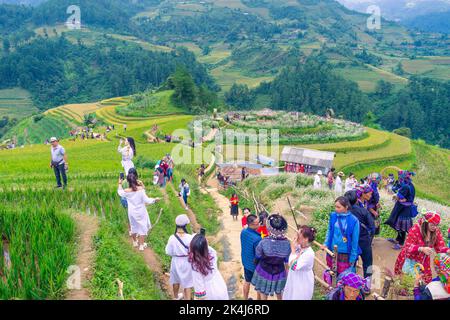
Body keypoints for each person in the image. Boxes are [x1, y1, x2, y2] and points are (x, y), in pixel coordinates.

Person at [394, 211, 450, 284]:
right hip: (409, 259)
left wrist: (447, 250)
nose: (435, 227)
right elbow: (407, 246)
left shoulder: (436, 232)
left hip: (423, 260)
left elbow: (440, 247)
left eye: (436, 225)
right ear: (426, 223)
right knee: (406, 281)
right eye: (432, 225)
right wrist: (421, 249)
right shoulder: (416, 229)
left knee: (424, 281)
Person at [252, 214, 291, 300]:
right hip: (279, 272)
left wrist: (255, 261)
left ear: (269, 228)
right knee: (279, 292)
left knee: (263, 293)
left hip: (264, 271)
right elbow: (286, 259)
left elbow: (258, 255)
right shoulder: (287, 243)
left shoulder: (264, 242)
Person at [118, 173, 160, 251]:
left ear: (128, 181)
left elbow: (119, 192)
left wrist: (120, 183)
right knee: (142, 227)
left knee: (133, 226)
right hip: (141, 211)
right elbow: (147, 200)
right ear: (136, 179)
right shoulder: (141, 189)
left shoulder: (126, 191)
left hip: (132, 212)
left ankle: (134, 242)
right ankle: (141, 245)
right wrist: (155, 199)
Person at [322, 197, 360, 276]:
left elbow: (355, 240)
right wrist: (325, 243)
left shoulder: (354, 220)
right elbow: (329, 231)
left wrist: (353, 257)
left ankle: (340, 288)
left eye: (338, 207)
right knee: (332, 272)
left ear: (346, 207)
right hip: (332, 250)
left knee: (343, 275)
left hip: (345, 253)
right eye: (335, 206)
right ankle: (332, 287)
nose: (336, 209)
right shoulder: (333, 216)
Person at [189, 231, 229, 300]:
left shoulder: (196, 266)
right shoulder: (212, 255)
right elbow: (206, 247)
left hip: (209, 293)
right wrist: (201, 240)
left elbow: (199, 288)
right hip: (220, 286)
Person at [345, 190, 375, 280]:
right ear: (356, 200)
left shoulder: (344, 212)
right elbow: (372, 226)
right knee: (367, 263)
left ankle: (351, 283)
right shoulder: (363, 211)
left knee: (351, 262)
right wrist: (369, 238)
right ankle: (367, 284)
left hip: (350, 240)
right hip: (364, 240)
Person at [385, 170, 416, 250]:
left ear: (404, 177)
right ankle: (397, 240)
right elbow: (409, 197)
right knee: (399, 224)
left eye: (400, 177)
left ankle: (401, 243)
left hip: (404, 209)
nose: (399, 178)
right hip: (405, 208)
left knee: (402, 226)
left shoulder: (406, 186)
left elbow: (398, 196)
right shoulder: (410, 185)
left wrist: (396, 196)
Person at [283, 225, 316, 300]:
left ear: (306, 239)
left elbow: (293, 266)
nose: (296, 236)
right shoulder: (300, 247)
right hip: (295, 279)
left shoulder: (309, 254)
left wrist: (293, 251)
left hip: (302, 282)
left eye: (298, 235)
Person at [165, 214, 194, 300]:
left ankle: (176, 297)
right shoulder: (190, 238)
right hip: (187, 261)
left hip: (175, 261)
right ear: (185, 225)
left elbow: (168, 252)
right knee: (188, 282)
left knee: (175, 280)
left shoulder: (172, 238)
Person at [240, 214, 262, 300]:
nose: (259, 224)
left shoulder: (243, 232)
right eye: (257, 223)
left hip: (246, 262)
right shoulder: (257, 239)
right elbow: (259, 255)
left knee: (247, 281)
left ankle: (245, 298)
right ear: (251, 224)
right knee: (259, 285)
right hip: (255, 266)